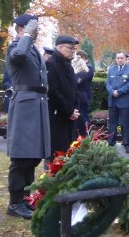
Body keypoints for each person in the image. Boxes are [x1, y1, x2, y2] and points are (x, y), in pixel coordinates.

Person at [5, 14, 51, 219]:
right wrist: (27, 36)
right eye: (33, 27)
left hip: (38, 104)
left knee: (33, 157)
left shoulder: (32, 48)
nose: (37, 31)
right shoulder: (16, 46)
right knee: (21, 158)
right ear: (22, 28)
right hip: (24, 105)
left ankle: (26, 199)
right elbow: (17, 57)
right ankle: (15, 202)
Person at [46, 35, 81, 156]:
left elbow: (74, 89)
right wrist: (69, 111)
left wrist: (75, 109)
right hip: (58, 116)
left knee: (69, 150)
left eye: (74, 48)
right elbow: (53, 92)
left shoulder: (68, 65)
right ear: (59, 47)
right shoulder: (51, 64)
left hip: (69, 116)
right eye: (70, 48)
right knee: (57, 153)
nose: (73, 51)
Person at [105, 52, 129, 153]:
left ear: (125, 59)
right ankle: (111, 143)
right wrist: (112, 91)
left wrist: (119, 92)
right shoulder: (111, 69)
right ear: (116, 59)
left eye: (122, 58)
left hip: (125, 101)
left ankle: (128, 145)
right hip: (113, 100)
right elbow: (107, 83)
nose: (120, 60)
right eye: (118, 58)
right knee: (112, 123)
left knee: (126, 124)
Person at [73, 50, 94, 137]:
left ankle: (87, 136)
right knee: (78, 118)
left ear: (83, 58)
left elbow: (78, 81)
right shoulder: (79, 67)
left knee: (84, 117)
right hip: (78, 96)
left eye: (78, 58)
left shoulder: (88, 67)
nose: (76, 60)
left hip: (83, 96)